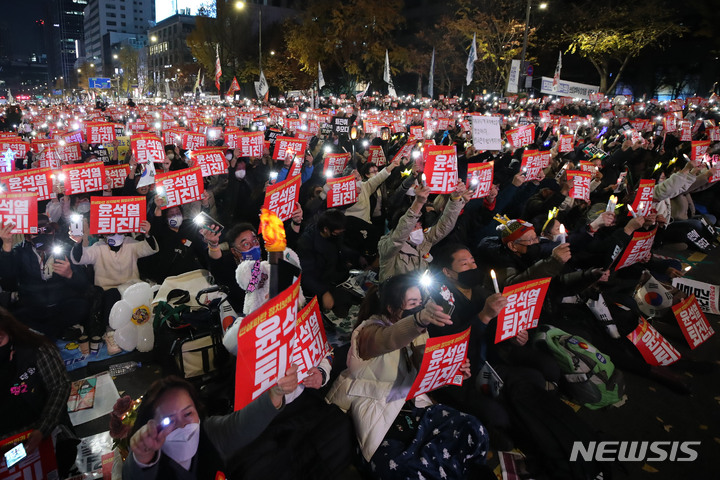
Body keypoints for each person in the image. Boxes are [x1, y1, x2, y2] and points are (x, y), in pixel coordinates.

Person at [326, 274, 490, 480]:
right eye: (412, 303)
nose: (419, 308)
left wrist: (452, 369)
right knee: (408, 470)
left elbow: (424, 370)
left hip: (415, 407)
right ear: (391, 309)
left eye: (421, 303)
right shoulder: (369, 331)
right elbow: (390, 339)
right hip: (379, 413)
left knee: (473, 428)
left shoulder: (420, 330)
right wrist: (418, 320)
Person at [123, 369, 298, 480]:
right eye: (170, 419)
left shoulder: (209, 433)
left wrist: (276, 393)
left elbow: (242, 424)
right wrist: (142, 457)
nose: (183, 426)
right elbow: (133, 475)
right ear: (151, 425)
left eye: (188, 413)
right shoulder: (149, 456)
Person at [0, 308, 78, 478]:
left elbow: (60, 385)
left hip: (43, 432)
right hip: (6, 443)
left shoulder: (35, 349)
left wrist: (43, 429)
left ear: (10, 332)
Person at [0, 216, 90, 339]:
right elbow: (7, 283)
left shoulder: (66, 249)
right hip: (33, 307)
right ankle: (58, 332)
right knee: (15, 315)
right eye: (36, 231)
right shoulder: (20, 252)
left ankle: (44, 334)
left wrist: (70, 274)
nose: (43, 234)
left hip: (61, 305)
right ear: (27, 236)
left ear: (53, 231)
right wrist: (6, 246)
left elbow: (84, 285)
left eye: (47, 230)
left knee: (81, 306)